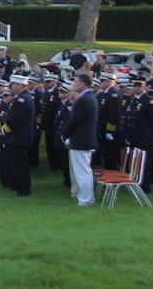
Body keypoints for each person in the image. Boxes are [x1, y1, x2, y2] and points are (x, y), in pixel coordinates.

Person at [60, 73, 98, 206]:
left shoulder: (83, 99)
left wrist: (64, 133)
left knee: (81, 171)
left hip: (81, 139)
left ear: (83, 84)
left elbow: (73, 121)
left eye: (76, 82)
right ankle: (88, 197)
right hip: (84, 138)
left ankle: (85, 199)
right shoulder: (89, 97)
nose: (74, 84)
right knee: (85, 170)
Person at [1, 74, 34, 196]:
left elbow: (14, 119)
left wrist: (4, 130)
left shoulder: (22, 99)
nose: (11, 87)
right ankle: (19, 186)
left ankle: (23, 189)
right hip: (18, 137)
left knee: (20, 165)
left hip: (19, 137)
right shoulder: (21, 97)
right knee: (17, 164)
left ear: (20, 85)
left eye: (13, 85)